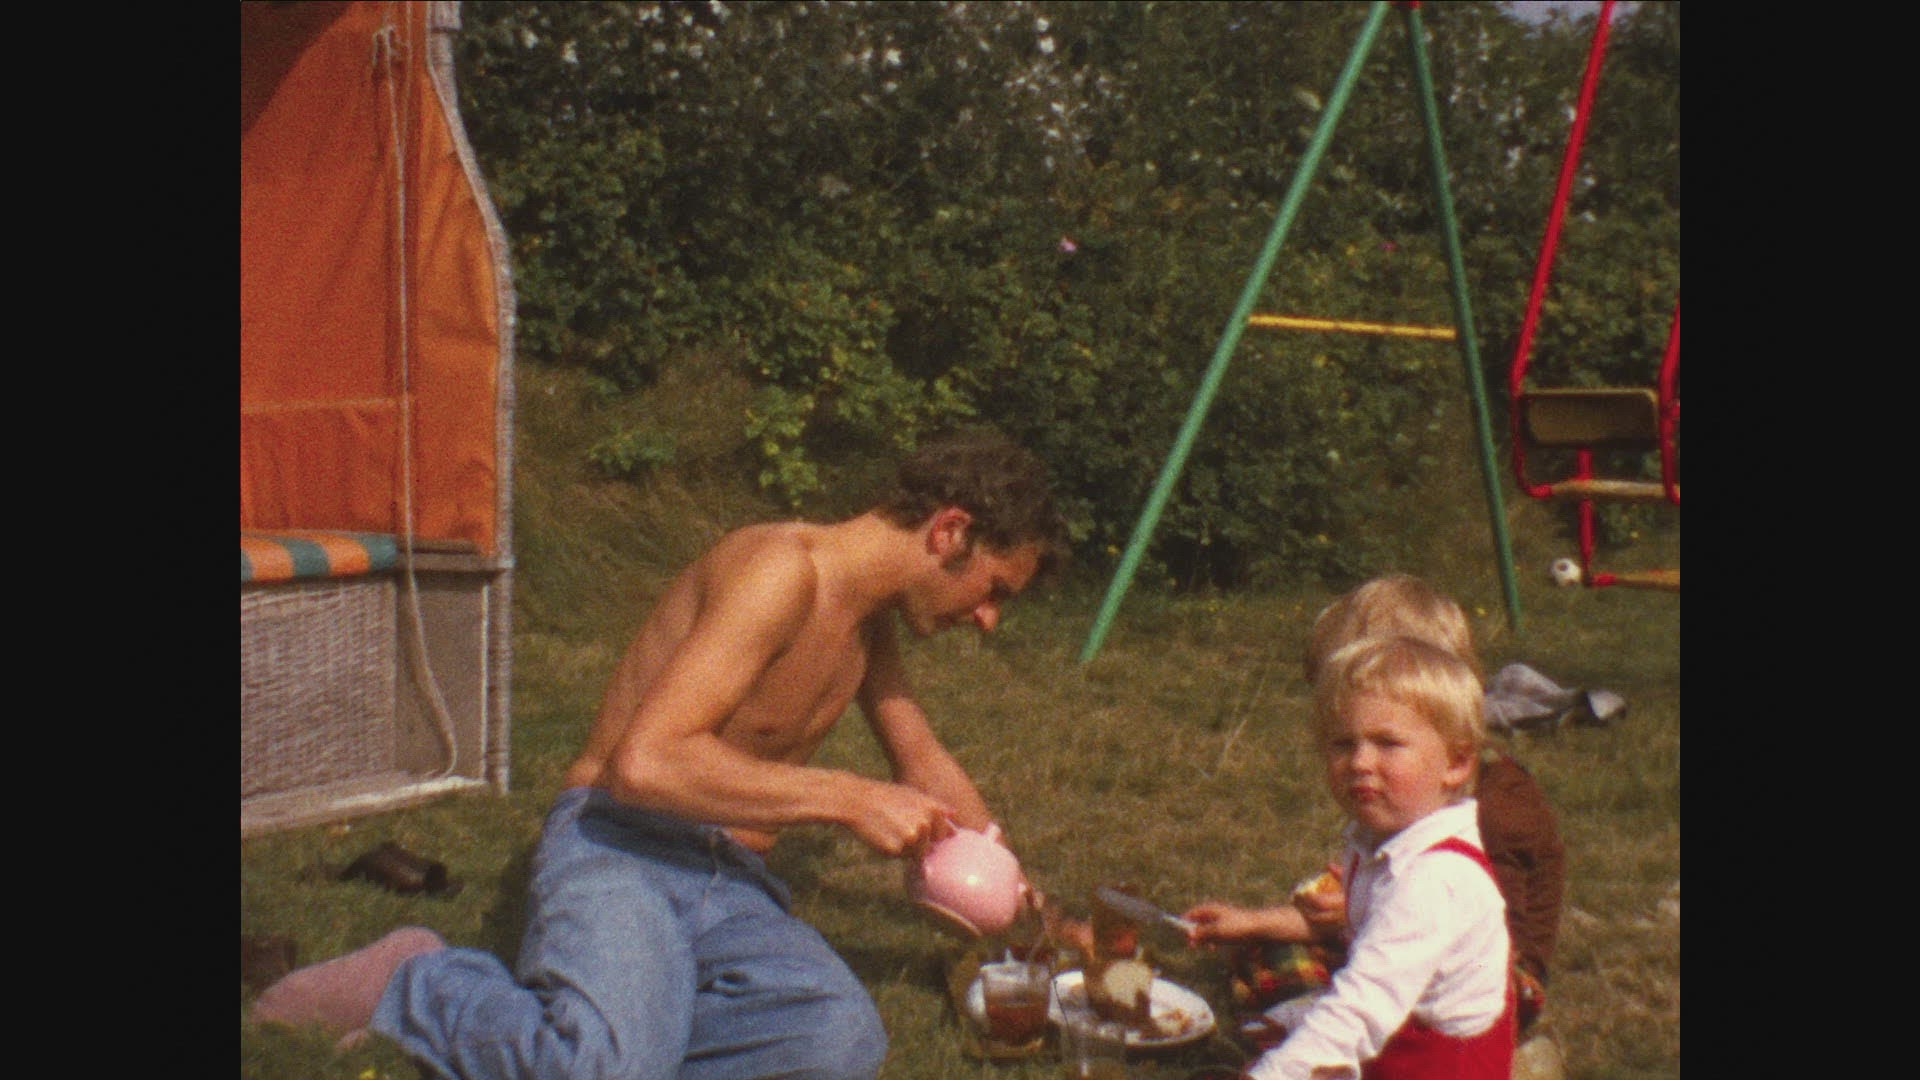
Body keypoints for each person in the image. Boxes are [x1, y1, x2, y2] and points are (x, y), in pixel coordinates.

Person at [250, 430, 1070, 1080]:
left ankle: (625, 1030)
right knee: (601, 1068)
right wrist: (849, 798)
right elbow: (645, 765)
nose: (989, 618)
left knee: (838, 1042)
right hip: (620, 845)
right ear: (950, 531)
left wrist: (1033, 907)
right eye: (994, 589)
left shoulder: (869, 621)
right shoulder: (780, 571)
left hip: (731, 879)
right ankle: (423, 983)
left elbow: (922, 759)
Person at [1189, 635, 1516, 1079]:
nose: (1360, 762)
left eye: (1387, 743)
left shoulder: (1436, 879)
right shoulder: (1381, 843)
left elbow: (1363, 1005)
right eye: (1344, 744)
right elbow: (1367, 955)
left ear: (1456, 763)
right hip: (1394, 1049)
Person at [1302, 576, 1565, 1031]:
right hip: (1410, 946)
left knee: (1300, 976)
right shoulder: (1416, 788)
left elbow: (1485, 942)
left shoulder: (1496, 811)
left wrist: (1365, 915)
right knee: (1271, 951)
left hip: (1493, 986)